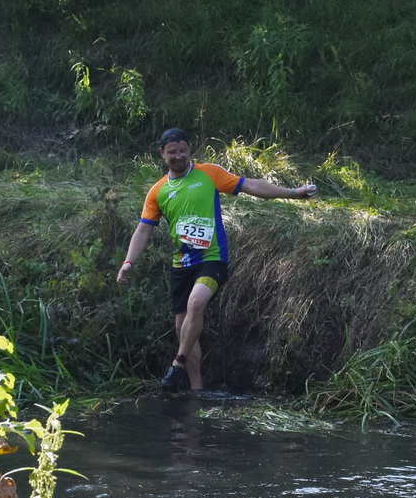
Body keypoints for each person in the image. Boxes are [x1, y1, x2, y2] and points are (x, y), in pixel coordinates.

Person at [117, 127, 316, 391]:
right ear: (162, 154)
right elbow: (143, 229)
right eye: (172, 152)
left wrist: (293, 192)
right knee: (182, 328)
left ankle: (177, 365)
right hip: (181, 265)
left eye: (183, 150)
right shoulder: (158, 191)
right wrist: (128, 261)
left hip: (212, 258)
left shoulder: (209, 173)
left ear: (190, 149)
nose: (178, 156)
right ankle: (196, 390)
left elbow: (250, 185)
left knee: (196, 303)